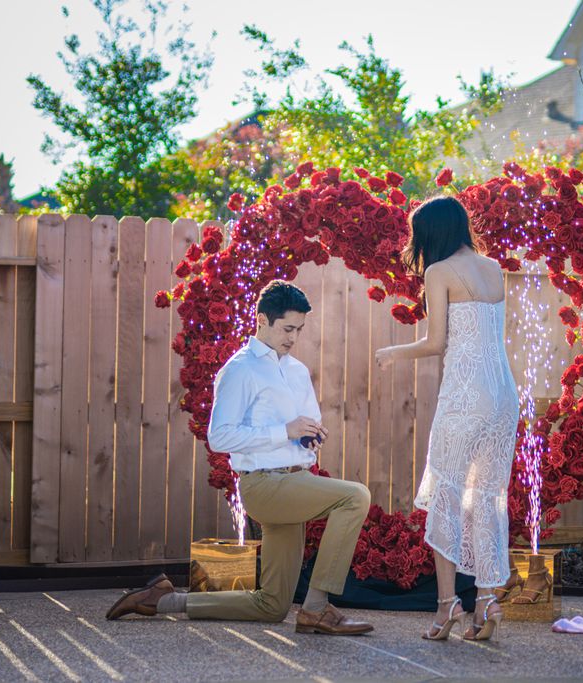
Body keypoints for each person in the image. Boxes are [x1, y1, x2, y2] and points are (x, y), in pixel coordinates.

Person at [107, 281, 374, 636]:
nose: (294, 337)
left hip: (297, 480)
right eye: (288, 328)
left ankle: (163, 600)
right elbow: (219, 437)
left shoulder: (296, 370)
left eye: (299, 330)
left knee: (272, 606)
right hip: (263, 485)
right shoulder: (240, 369)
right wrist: (285, 431)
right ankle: (316, 608)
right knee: (355, 496)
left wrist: (310, 437)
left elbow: (300, 428)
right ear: (262, 320)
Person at [375, 196, 519, 641]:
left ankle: (447, 606)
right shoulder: (494, 267)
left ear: (430, 233)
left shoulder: (438, 272)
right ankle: (488, 599)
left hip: (465, 395)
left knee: (447, 494)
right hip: (503, 396)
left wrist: (394, 351)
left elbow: (437, 342)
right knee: (488, 497)